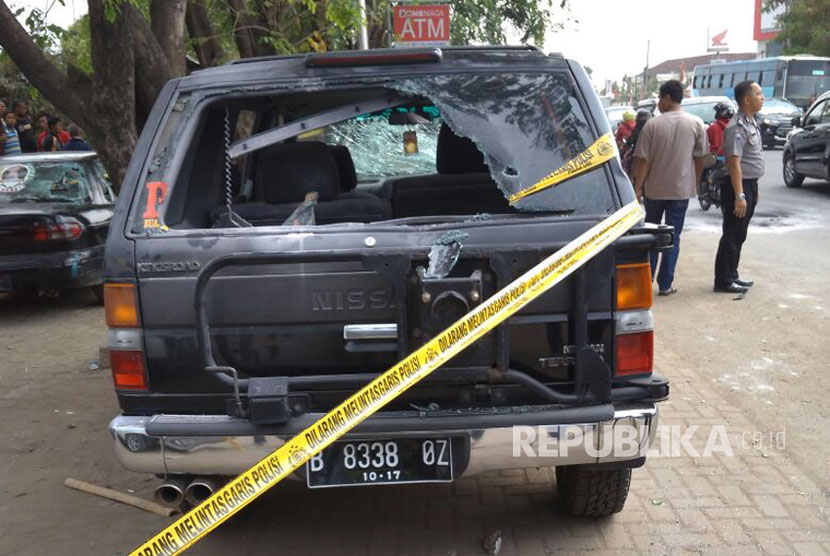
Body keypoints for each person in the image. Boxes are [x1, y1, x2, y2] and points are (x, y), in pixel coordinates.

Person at [632, 79, 708, 296]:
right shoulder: (696, 123)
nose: (658, 103)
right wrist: (695, 181)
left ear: (667, 98)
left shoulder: (652, 125)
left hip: (655, 190)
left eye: (659, 98)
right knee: (673, 237)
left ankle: (646, 282)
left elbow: (642, 161)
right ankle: (665, 284)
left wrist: (638, 189)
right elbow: (700, 157)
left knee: (651, 236)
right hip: (681, 191)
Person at [713, 81, 765, 294]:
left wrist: (753, 189)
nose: (762, 97)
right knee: (732, 234)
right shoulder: (737, 126)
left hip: (749, 184)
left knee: (740, 233)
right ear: (746, 99)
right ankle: (723, 280)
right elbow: (734, 163)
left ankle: (732, 274)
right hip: (738, 186)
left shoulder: (752, 122)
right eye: (759, 93)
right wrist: (740, 195)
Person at [621, 109, 651, 176]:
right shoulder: (653, 128)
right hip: (652, 155)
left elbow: (629, 143)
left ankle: (631, 180)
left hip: (639, 154)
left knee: (628, 163)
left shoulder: (637, 130)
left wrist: (623, 152)